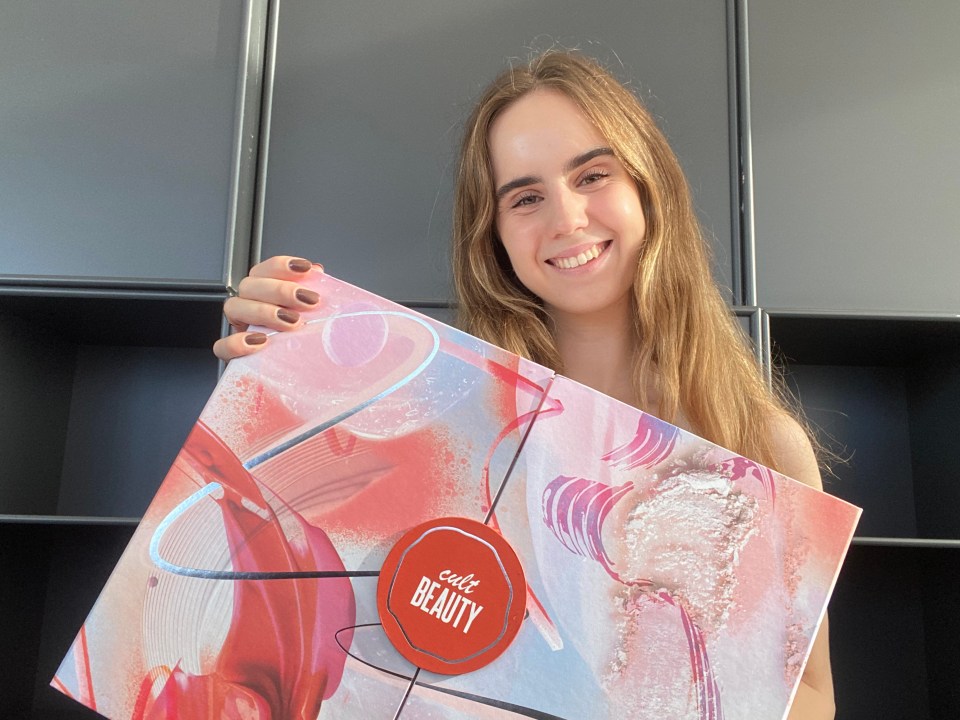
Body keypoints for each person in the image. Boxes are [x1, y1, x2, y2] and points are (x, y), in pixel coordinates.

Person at [215, 51, 836, 719]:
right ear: (495, 236)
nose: (566, 219)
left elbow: (813, 698)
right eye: (527, 196)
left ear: (648, 190)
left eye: (593, 175)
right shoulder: (443, 424)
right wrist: (282, 364)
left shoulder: (764, 445)